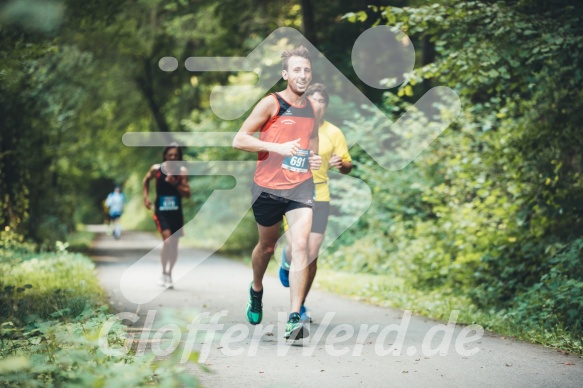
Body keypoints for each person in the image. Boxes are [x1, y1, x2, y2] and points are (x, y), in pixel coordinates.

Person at [232, 45, 322, 340]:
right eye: (297, 69)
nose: (303, 74)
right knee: (267, 248)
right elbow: (239, 139)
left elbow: (312, 140)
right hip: (267, 188)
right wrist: (275, 147)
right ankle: (256, 289)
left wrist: (314, 158)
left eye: (307, 70)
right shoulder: (271, 103)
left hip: (300, 185)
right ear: (285, 74)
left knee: (301, 246)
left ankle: (295, 316)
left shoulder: (312, 107)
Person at [279, 83, 353, 322]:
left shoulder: (334, 132)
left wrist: (342, 164)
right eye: (313, 99)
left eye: (321, 100)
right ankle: (286, 259)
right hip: (293, 195)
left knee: (311, 254)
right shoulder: (292, 128)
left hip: (320, 196)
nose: (316, 104)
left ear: (325, 106)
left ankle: (299, 306)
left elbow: (347, 164)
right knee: (295, 249)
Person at [142, 144, 191, 289]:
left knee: (174, 244)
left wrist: (175, 184)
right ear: (165, 156)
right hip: (161, 212)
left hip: (176, 213)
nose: (173, 157)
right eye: (170, 155)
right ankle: (163, 273)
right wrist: (145, 197)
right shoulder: (157, 169)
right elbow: (146, 180)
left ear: (179, 157)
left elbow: (187, 194)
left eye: (175, 155)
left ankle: (169, 274)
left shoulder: (182, 171)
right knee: (168, 241)